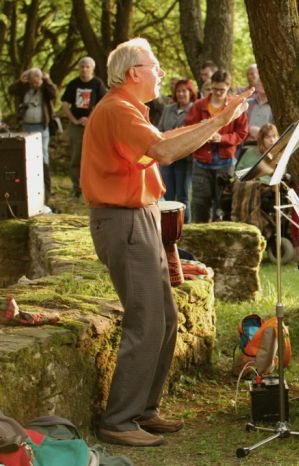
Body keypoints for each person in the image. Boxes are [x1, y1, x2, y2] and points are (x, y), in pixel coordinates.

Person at [81, 37, 252, 447]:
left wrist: (220, 119)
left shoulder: (128, 110)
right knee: (147, 320)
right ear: (132, 72)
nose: (160, 71)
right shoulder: (119, 109)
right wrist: (219, 120)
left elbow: (168, 140)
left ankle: (143, 410)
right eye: (154, 65)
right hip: (123, 221)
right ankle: (118, 420)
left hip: (138, 217)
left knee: (167, 318)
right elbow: (165, 150)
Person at [185, 70, 248, 223]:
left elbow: (241, 133)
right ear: (210, 86)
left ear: (228, 87)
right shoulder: (199, 106)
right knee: (200, 205)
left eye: (222, 90)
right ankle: (199, 240)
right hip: (201, 162)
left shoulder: (235, 106)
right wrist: (201, 131)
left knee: (223, 206)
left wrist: (222, 138)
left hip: (225, 162)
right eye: (215, 89)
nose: (218, 93)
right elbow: (187, 127)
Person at [61, 57, 107, 198]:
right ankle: (77, 188)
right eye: (82, 66)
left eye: (87, 67)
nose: (84, 69)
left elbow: (103, 104)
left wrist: (90, 119)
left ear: (92, 68)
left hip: (92, 126)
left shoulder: (98, 84)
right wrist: (74, 120)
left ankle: (93, 188)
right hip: (76, 126)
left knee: (94, 156)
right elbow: (64, 105)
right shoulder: (73, 84)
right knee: (76, 156)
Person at [8, 67, 57, 199]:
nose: (35, 85)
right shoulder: (25, 87)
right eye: (32, 82)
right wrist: (21, 80)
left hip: (42, 126)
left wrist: (47, 81)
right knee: (26, 156)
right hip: (26, 126)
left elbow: (54, 94)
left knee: (43, 157)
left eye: (37, 82)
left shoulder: (45, 88)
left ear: (41, 79)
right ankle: (28, 189)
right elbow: (11, 90)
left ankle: (46, 192)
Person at [158, 79, 197, 223]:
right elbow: (161, 128)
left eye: (184, 91)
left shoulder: (194, 109)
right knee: (167, 195)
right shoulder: (168, 109)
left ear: (190, 92)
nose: (181, 94)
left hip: (183, 158)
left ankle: (185, 227)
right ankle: (168, 226)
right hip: (166, 158)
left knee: (183, 195)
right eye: (178, 91)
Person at [244, 79, 273, 145]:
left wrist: (262, 132)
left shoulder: (275, 106)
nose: (263, 84)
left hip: (266, 145)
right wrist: (249, 129)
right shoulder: (247, 103)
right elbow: (239, 124)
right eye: (260, 82)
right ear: (256, 86)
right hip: (246, 142)